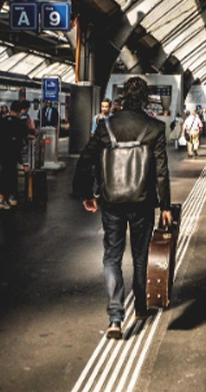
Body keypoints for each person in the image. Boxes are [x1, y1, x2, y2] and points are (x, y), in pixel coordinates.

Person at [72, 76, 173, 340]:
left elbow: (85, 160)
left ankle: (115, 318)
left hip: (111, 201)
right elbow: (161, 171)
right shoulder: (155, 127)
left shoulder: (106, 127)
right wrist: (165, 205)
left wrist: (86, 193)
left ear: (122, 96)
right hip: (142, 202)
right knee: (141, 255)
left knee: (112, 256)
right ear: (145, 98)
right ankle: (140, 306)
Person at [0, 100, 27, 210]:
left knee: (6, 171)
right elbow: (24, 138)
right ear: (19, 111)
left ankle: (11, 196)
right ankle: (2, 198)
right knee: (11, 173)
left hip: (3, 151)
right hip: (14, 151)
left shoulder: (1, 121)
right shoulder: (20, 123)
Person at [18, 100, 37, 173]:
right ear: (27, 107)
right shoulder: (24, 116)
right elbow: (24, 128)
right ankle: (27, 175)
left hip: (21, 139)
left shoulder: (19, 114)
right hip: (23, 140)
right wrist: (28, 135)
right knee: (25, 156)